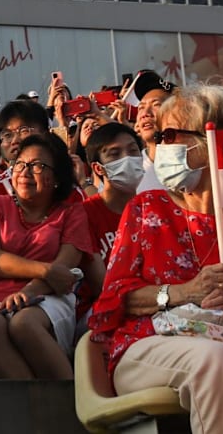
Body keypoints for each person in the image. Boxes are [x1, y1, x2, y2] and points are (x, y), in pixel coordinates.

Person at [88, 85, 223, 434]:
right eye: (159, 136)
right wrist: (184, 292)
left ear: (212, 142)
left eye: (169, 135)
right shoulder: (146, 208)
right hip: (147, 345)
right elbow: (115, 298)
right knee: (214, 360)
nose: (159, 146)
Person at [0, 133, 93, 379]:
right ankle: (31, 402)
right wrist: (45, 270)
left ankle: (70, 398)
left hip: (47, 295)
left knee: (24, 323)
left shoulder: (73, 213)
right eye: (20, 164)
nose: (25, 172)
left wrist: (29, 292)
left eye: (37, 166)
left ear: (57, 178)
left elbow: (64, 270)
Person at [75, 124, 144, 335]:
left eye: (133, 151)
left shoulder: (152, 208)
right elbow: (103, 287)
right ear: (98, 168)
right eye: (115, 154)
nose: (127, 158)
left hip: (154, 301)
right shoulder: (84, 214)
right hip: (101, 311)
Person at [131, 70, 176, 193]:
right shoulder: (130, 172)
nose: (145, 113)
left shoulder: (194, 165)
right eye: (141, 107)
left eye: (156, 105)